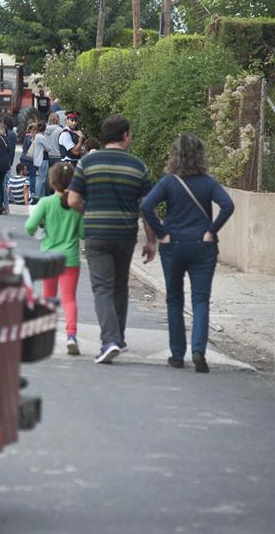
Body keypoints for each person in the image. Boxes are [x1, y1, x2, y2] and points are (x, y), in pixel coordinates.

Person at [140, 133, 235, 373]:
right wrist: (211, 231)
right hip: (203, 246)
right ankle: (199, 350)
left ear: (175, 155)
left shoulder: (168, 182)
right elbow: (228, 206)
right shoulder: (209, 182)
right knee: (200, 299)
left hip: (173, 245)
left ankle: (177, 354)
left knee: (174, 299)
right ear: (200, 155)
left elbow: (146, 206)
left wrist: (162, 233)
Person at [68, 115, 157, 365]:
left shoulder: (87, 163)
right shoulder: (138, 166)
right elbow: (147, 208)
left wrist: (90, 212)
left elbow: (73, 200)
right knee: (120, 285)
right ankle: (119, 338)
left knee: (102, 288)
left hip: (96, 233)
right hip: (125, 234)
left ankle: (109, 341)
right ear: (125, 135)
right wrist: (151, 241)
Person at [24, 162, 84, 355]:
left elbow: (29, 227)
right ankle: (71, 335)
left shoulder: (46, 203)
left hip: (49, 257)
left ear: (52, 181)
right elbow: (83, 233)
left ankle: (45, 335)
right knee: (69, 298)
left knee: (49, 297)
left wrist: (42, 224)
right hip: (71, 257)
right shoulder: (76, 204)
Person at [0, 116, 18, 214]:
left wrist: (8, 162)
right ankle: (5, 205)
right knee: (5, 183)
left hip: (6, 162)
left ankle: (6, 205)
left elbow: (9, 150)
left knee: (4, 184)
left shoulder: (9, 134)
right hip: (8, 162)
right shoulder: (12, 134)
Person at [19, 122, 37, 202]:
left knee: (23, 175)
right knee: (32, 176)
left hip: (24, 158)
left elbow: (23, 149)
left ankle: (21, 190)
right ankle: (32, 192)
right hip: (32, 159)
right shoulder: (36, 137)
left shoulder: (26, 137)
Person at [33, 122, 50, 199]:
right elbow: (49, 148)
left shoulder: (36, 136)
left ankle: (41, 196)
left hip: (38, 159)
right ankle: (37, 196)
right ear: (44, 128)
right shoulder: (42, 137)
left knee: (41, 178)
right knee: (42, 179)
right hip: (43, 159)